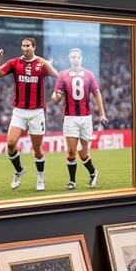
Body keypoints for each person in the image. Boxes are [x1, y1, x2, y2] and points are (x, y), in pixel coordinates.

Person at [0, 36, 56, 191]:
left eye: (28, 46)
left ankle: (40, 179)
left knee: (37, 148)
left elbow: (56, 74)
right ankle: (19, 170)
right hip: (19, 111)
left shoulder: (41, 64)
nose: (25, 48)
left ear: (34, 47)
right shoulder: (15, 62)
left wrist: (44, 61)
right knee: (11, 144)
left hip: (37, 112)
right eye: (23, 46)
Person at [51, 48, 106, 191]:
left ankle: (93, 173)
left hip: (86, 118)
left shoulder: (89, 74)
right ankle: (72, 181)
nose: (74, 59)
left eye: (76, 56)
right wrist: (56, 97)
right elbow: (55, 98)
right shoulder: (63, 75)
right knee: (71, 151)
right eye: (72, 57)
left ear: (81, 58)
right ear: (69, 59)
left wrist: (102, 114)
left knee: (83, 153)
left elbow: (96, 93)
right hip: (70, 118)